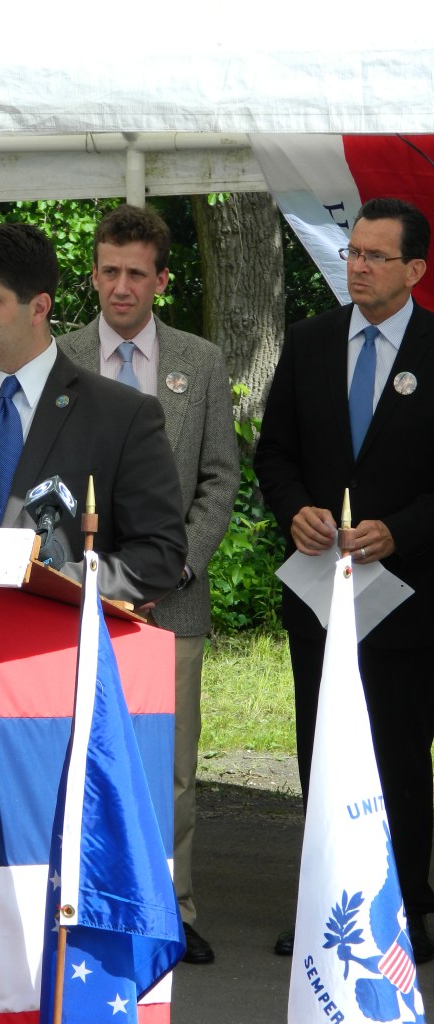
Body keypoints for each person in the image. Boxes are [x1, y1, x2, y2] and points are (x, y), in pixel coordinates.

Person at [255, 197, 434, 963]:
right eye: (352, 252)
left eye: (373, 256)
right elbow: (275, 454)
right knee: (322, 752)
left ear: (415, 270)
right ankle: (329, 905)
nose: (355, 266)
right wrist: (295, 510)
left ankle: (408, 911)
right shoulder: (310, 341)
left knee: (397, 753)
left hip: (410, 599)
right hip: (321, 594)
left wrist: (401, 530)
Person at [58, 204, 238, 965]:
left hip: (173, 603)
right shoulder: (59, 356)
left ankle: (173, 910)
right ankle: (74, 901)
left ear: (162, 280)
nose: (121, 287)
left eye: (137, 273)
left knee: (170, 767)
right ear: (93, 273)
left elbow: (219, 480)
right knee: (69, 751)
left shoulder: (200, 361)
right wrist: (77, 575)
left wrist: (170, 568)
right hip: (70, 596)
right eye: (109, 271)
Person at [0, 221, 187, 615]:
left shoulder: (123, 416)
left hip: (61, 655)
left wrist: (53, 582)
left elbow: (158, 556)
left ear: (39, 308)